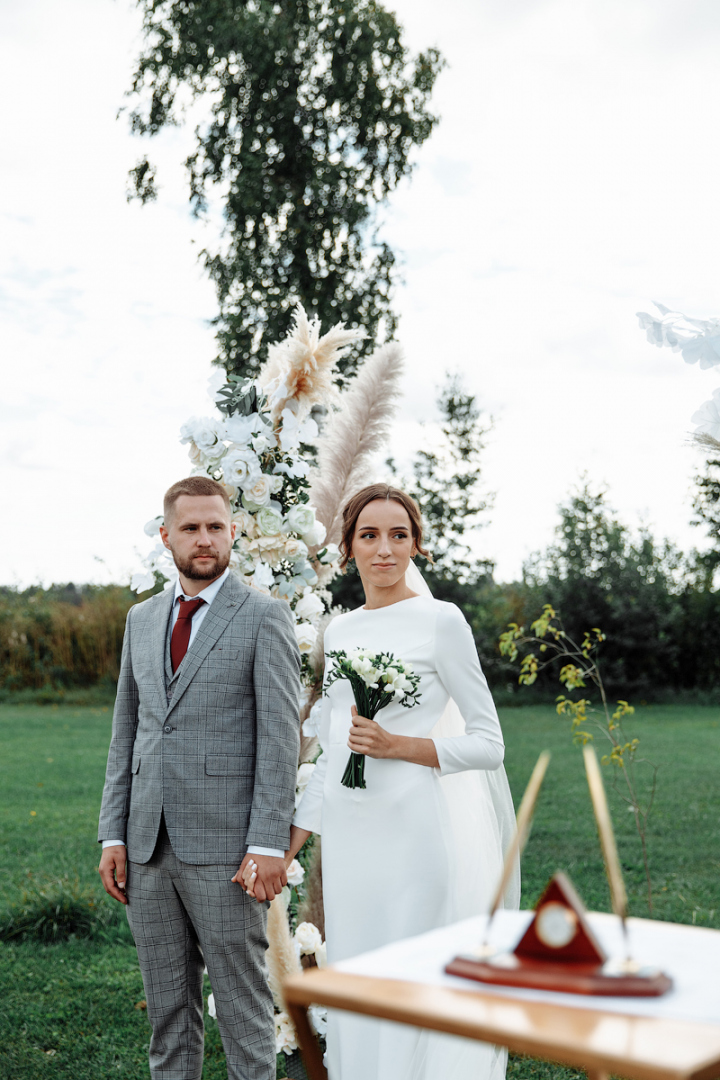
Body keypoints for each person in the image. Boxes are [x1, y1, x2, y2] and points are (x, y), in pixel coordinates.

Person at [243, 482, 518, 1080]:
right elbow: (336, 752)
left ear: (417, 545)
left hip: (415, 837)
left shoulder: (442, 622)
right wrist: (284, 850)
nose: (384, 549)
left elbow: (490, 745)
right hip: (351, 845)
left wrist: (401, 747)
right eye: (369, 535)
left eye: (399, 535)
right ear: (348, 548)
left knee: (409, 991)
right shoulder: (339, 633)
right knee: (359, 987)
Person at [98, 475, 301, 1080]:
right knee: (167, 1015)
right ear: (167, 536)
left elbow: (280, 739)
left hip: (229, 850)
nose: (204, 539)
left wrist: (267, 844)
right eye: (191, 528)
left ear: (233, 531)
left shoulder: (265, 617)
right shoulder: (141, 619)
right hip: (146, 846)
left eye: (216, 526)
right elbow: (126, 733)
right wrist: (113, 834)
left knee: (244, 1013)